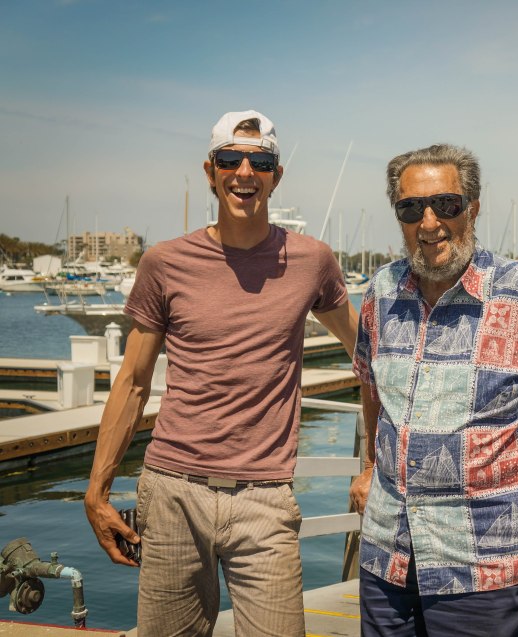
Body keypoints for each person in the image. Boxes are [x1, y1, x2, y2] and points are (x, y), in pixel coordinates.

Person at [84, 109, 359, 637]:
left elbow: (366, 354)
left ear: (277, 176)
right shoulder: (164, 263)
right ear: (211, 171)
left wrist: (376, 468)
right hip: (172, 491)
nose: (245, 173)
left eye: (261, 163)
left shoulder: (313, 261)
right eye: (230, 159)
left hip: (266, 497)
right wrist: (97, 492)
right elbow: (133, 382)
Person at [348, 143, 518, 636]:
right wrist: (371, 466)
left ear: (472, 209)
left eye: (446, 204)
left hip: (484, 565)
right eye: (411, 208)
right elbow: (371, 385)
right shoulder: (382, 291)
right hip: (387, 553)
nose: (429, 222)